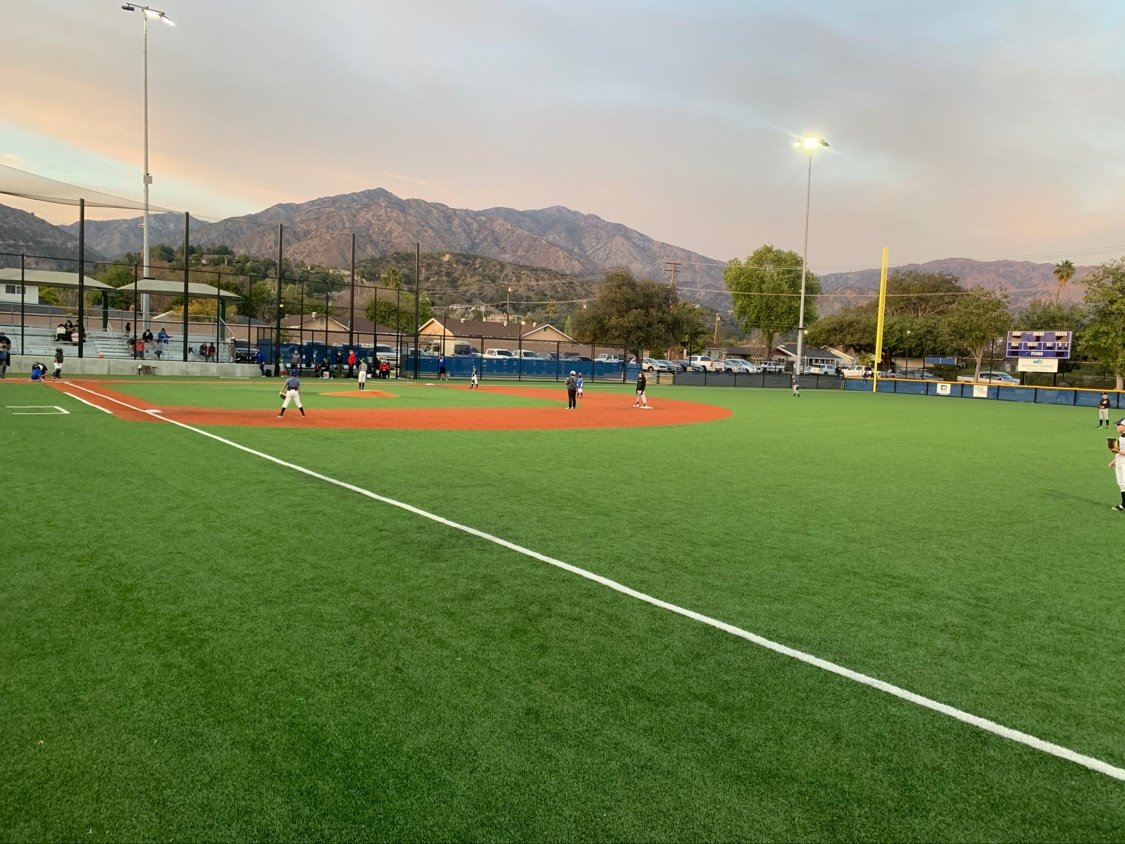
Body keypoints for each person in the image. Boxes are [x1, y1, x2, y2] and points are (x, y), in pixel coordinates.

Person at [1109, 417, 1125, 511]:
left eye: (1119, 424)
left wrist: (1117, 450)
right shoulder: (1120, 437)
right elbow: (1119, 452)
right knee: (1121, 484)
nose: (1116, 426)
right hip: (1119, 462)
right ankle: (1124, 504)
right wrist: (1113, 462)